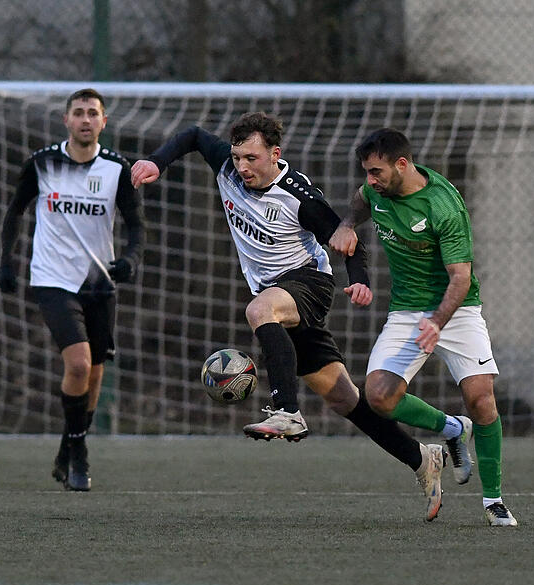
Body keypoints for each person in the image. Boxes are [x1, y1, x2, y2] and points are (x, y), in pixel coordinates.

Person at [131, 112, 471, 521]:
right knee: (344, 398)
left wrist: (359, 280)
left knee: (258, 310)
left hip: (308, 284)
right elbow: (192, 135)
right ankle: (421, 459)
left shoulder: (299, 196)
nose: (242, 167)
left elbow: (347, 239)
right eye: (237, 157)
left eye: (252, 159)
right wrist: (156, 161)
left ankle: (287, 411)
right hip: (277, 295)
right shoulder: (227, 165)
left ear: (275, 154)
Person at [329, 128, 517, 527]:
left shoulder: (443, 205)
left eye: (376, 171)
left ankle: (493, 501)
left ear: (402, 164)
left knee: (481, 399)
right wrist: (347, 223)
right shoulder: (377, 190)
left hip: (457, 308)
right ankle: (451, 429)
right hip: (407, 312)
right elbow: (361, 202)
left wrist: (437, 322)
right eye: (366, 171)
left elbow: (461, 278)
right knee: (378, 395)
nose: (370, 180)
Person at [0, 88, 144, 492]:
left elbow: (135, 225)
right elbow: (14, 211)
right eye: (78, 112)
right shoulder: (42, 163)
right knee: (78, 364)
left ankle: (69, 446)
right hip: (52, 279)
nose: (85, 119)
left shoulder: (117, 168)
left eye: (92, 113)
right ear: (66, 120)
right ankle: (79, 454)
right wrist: (5, 262)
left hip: (99, 284)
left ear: (103, 122)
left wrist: (131, 259)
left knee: (95, 372)